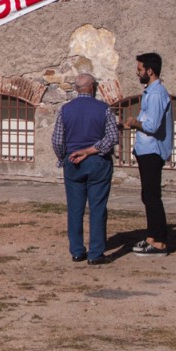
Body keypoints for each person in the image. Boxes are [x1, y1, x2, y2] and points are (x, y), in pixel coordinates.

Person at [51, 73, 118, 265]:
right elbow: (112, 137)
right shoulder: (104, 109)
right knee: (97, 208)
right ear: (93, 87)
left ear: (77, 89)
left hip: (73, 161)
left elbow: (57, 140)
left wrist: (63, 157)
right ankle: (96, 253)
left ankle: (77, 251)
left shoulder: (65, 110)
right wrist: (92, 150)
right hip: (98, 160)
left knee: (75, 209)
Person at [122, 52, 173, 257]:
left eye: (140, 69)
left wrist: (135, 123)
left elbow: (152, 125)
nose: (137, 73)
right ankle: (152, 236)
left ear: (149, 71)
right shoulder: (149, 92)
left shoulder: (157, 93)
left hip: (153, 150)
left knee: (152, 196)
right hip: (145, 150)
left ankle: (160, 241)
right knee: (147, 195)